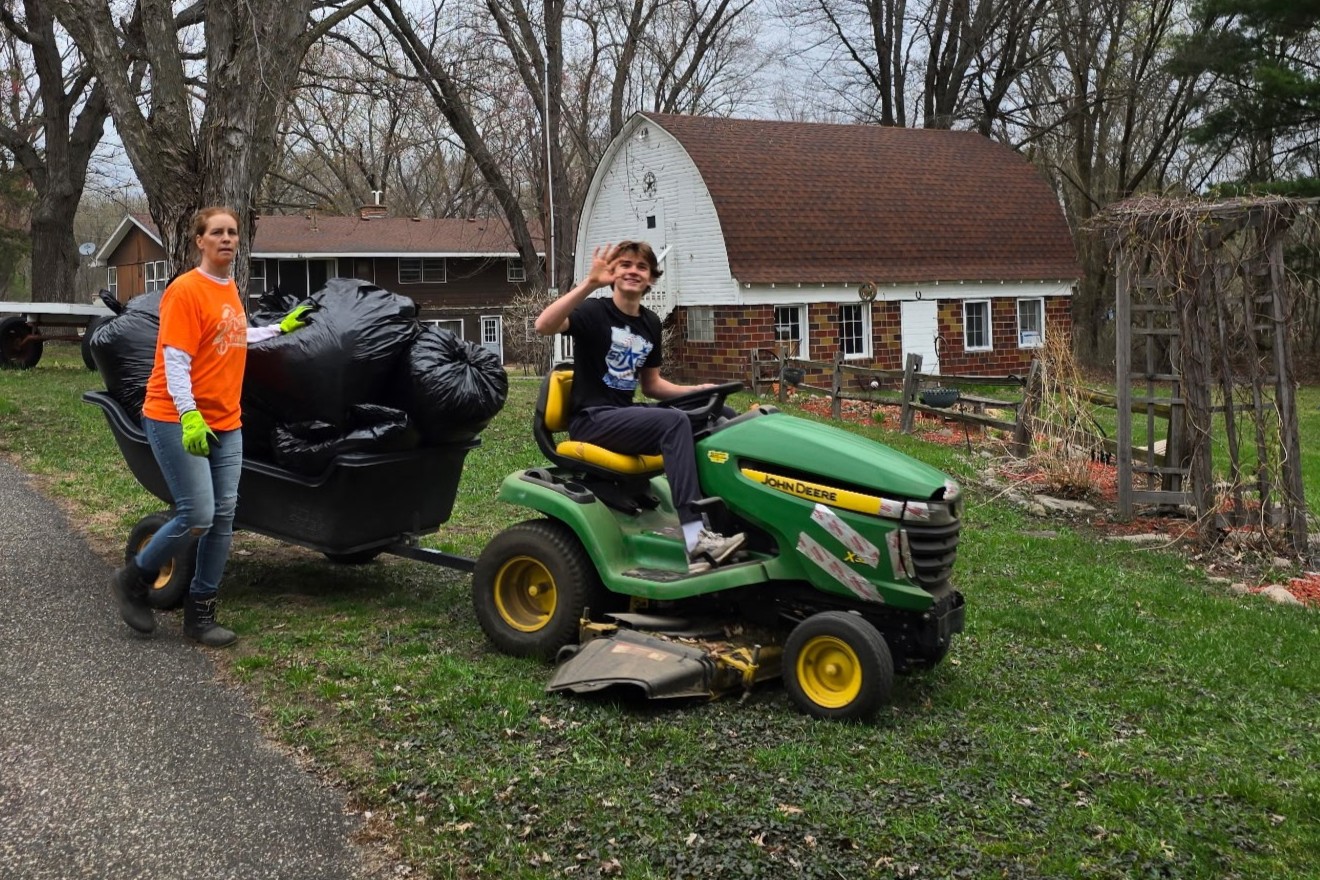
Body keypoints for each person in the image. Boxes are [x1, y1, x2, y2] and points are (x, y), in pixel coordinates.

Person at [111, 206, 313, 646]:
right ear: (199, 241)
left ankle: (200, 616)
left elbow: (231, 338)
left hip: (226, 420)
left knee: (223, 518)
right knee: (198, 514)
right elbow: (175, 361)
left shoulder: (229, 289)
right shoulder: (186, 290)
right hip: (175, 417)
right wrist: (188, 415)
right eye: (217, 232)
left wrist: (278, 328)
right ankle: (133, 579)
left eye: (233, 233)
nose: (226, 239)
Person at [535, 240, 745, 573]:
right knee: (674, 423)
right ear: (613, 274)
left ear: (650, 279)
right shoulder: (594, 312)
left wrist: (700, 391)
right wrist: (588, 283)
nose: (633, 271)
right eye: (625, 265)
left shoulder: (649, 323)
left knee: (720, 415)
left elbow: (653, 386)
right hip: (593, 420)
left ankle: (731, 522)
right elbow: (543, 325)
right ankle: (696, 539)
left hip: (624, 417)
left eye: (642, 267)